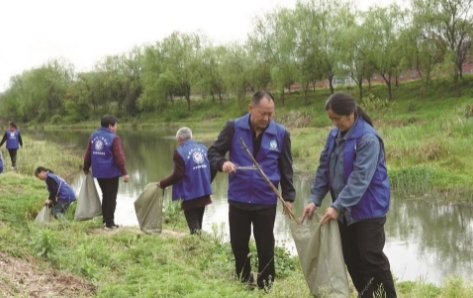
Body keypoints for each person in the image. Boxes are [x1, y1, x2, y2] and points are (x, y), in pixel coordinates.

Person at [300, 92, 397, 298]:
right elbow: (323, 169)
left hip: (369, 209)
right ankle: (368, 295)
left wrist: (336, 206)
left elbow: (360, 179)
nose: (335, 123)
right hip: (345, 210)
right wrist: (314, 200)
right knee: (351, 257)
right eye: (331, 119)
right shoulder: (334, 136)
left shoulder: (368, 138)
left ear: (351, 113)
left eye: (338, 118)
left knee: (370, 257)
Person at [208, 90, 296, 290]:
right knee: (238, 243)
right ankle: (244, 281)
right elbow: (213, 152)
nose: (266, 118)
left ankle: (266, 286)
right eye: (262, 113)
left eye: (270, 114)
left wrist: (288, 197)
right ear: (251, 109)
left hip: (265, 199)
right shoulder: (233, 127)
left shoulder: (281, 134)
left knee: (265, 245)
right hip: (238, 197)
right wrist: (222, 163)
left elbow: (286, 167)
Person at [157, 127, 213, 234]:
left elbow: (178, 175)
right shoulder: (204, 148)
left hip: (189, 194)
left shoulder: (179, 152)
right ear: (191, 137)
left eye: (178, 140)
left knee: (193, 225)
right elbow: (211, 168)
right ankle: (199, 244)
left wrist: (162, 183)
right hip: (203, 191)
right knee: (198, 223)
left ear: (180, 139)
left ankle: (197, 245)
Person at [83, 115, 130, 230]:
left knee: (105, 195)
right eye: (116, 125)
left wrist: (85, 167)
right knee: (111, 197)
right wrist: (125, 173)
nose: (116, 128)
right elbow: (119, 157)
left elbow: (88, 154)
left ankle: (106, 221)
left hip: (98, 172)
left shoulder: (94, 136)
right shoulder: (114, 138)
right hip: (111, 173)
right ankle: (110, 224)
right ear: (110, 126)